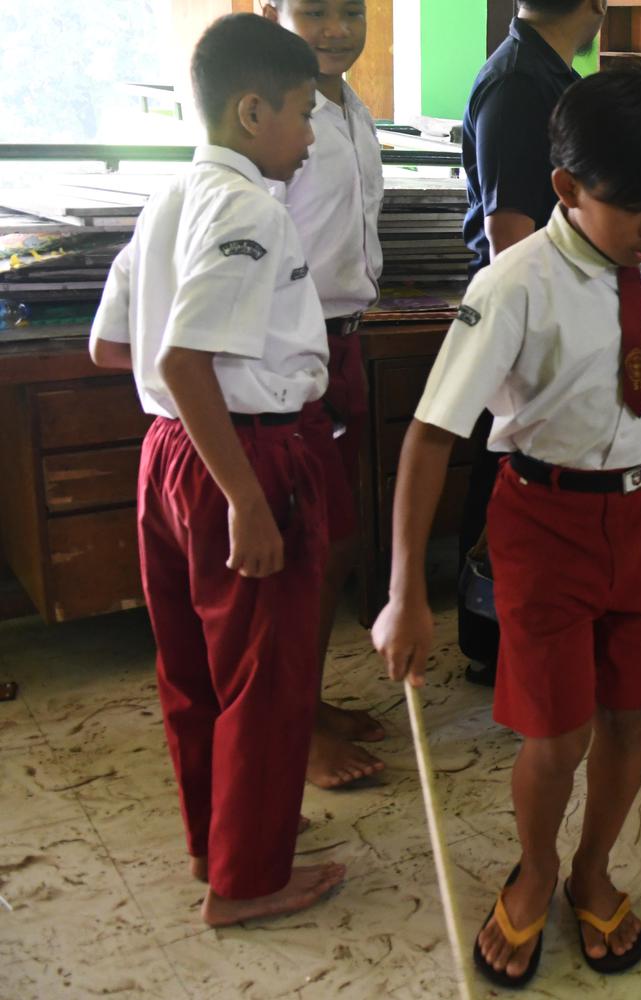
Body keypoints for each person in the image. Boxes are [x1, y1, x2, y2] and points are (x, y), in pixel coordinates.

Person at [372, 63, 641, 988]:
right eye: (635, 208)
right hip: (546, 522)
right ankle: (535, 871)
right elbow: (426, 436)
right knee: (557, 733)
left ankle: (592, 868)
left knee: (628, 717)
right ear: (567, 190)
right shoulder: (514, 284)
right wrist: (405, 592)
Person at [88, 13, 346, 925]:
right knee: (265, 679)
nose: (312, 138)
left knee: (193, 669)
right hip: (242, 453)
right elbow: (181, 361)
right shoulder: (248, 209)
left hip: (170, 453)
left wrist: (190, 424)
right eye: (303, 114)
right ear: (250, 110)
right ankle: (247, 883)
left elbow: (112, 345)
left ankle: (219, 840)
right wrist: (244, 491)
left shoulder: (167, 198)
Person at [262, 0, 388, 790]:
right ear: (272, 12)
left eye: (351, 9)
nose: (337, 27)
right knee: (304, 545)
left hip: (344, 338)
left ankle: (302, 699)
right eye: (315, 10)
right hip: (291, 349)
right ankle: (289, 726)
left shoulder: (347, 104)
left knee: (337, 539)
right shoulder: (271, 111)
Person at [456, 0, 600, 686]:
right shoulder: (518, 83)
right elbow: (508, 230)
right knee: (506, 474)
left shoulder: (551, 77)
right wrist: (542, 337)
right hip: (522, 320)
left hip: (547, 308)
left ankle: (521, 635)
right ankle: (496, 642)